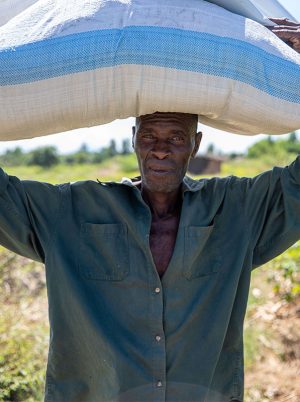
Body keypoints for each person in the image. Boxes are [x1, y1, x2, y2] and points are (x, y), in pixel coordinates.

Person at [0, 20, 299, 402]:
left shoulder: (237, 211)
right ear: (133, 141)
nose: (160, 150)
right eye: (149, 137)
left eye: (175, 138)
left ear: (196, 144)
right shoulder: (69, 211)